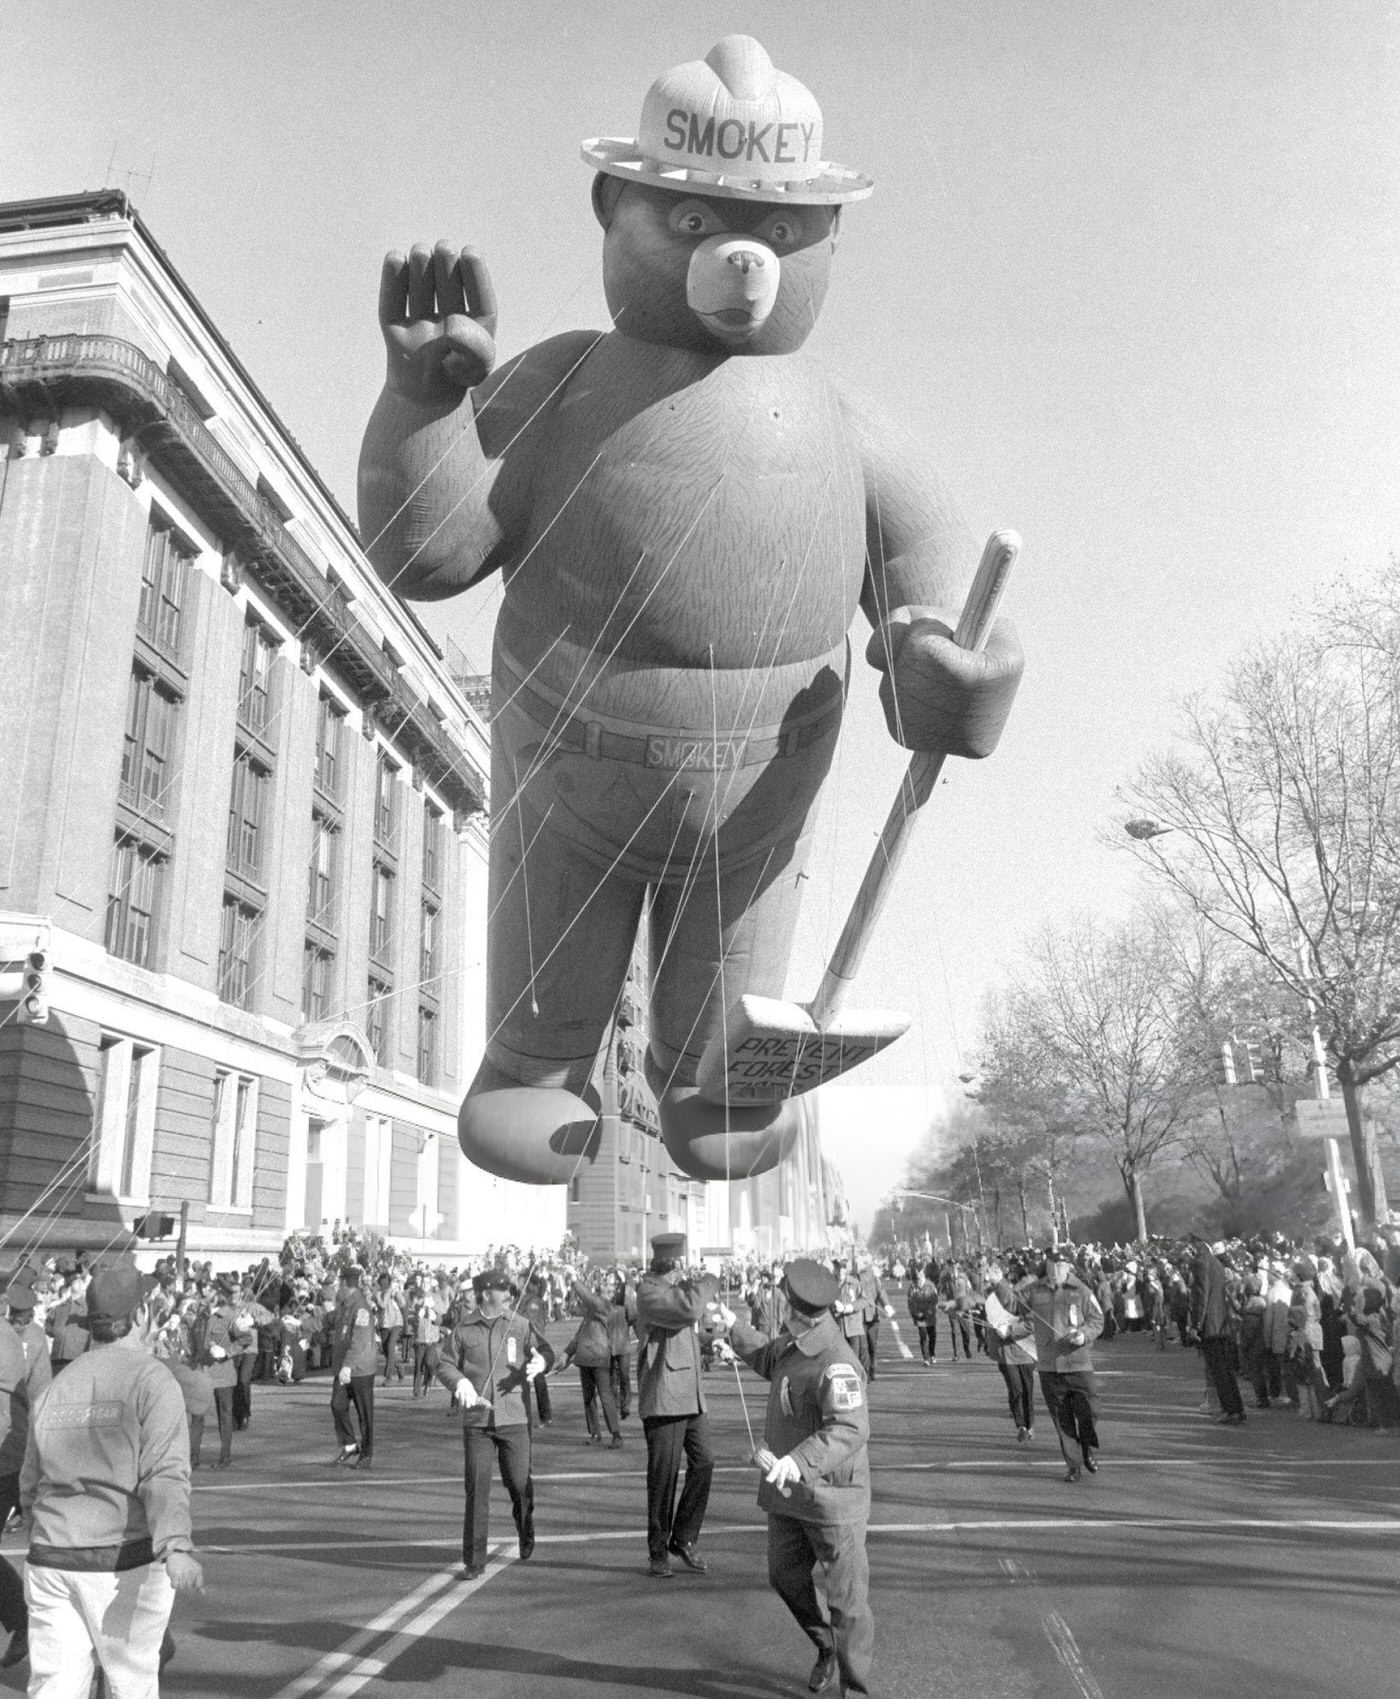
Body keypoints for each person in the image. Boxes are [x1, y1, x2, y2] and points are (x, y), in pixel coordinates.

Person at [20, 1261, 204, 1693]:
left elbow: (30, 1481)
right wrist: (176, 1545)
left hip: (51, 1555)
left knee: (53, 1687)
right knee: (131, 1684)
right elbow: (164, 1474)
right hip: (121, 1558)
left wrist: (43, 1529)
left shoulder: (57, 1386)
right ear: (141, 1314)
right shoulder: (152, 1379)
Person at [729, 1258, 873, 1698]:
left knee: (847, 1604)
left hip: (831, 1499)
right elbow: (767, 1356)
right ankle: (825, 1644)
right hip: (789, 1495)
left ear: (798, 1312)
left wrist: (797, 1462)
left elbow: (850, 1427)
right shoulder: (797, 1343)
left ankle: (855, 1687)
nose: (779, 1310)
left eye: (784, 1304)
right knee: (785, 1577)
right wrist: (731, 1326)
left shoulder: (836, 1360)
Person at [437, 1268, 543, 1579]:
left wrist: (542, 1361)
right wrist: (458, 1382)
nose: (508, 1295)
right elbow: (444, 1364)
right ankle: (474, 1560)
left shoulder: (519, 1324)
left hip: (514, 1416)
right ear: (486, 1294)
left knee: (518, 1482)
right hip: (477, 1421)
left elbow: (542, 1349)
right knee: (476, 1486)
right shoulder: (463, 1330)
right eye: (502, 1290)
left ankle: (525, 1526)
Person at [634, 1232, 716, 1579]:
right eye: (681, 1265)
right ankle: (658, 1551)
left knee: (705, 1462)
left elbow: (684, 1331)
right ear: (672, 1264)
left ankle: (683, 1537)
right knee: (663, 1479)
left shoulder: (671, 1290)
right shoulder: (650, 1292)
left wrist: (712, 1341)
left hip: (689, 1394)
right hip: (665, 1396)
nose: (685, 1271)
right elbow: (688, 1309)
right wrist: (710, 1279)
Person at [1018, 1247, 1105, 1481]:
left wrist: (1084, 1335)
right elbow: (1012, 1305)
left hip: (1078, 1363)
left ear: (1068, 1267)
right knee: (1062, 1420)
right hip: (1050, 1366)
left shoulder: (1081, 1290)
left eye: (1060, 1265)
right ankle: (1074, 1465)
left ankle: (1086, 1446)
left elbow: (1097, 1319)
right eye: (1051, 1265)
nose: (1055, 1269)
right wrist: (995, 1285)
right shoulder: (1034, 1290)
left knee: (1091, 1410)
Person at [1188, 1239, 1246, 1425]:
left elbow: (1201, 1296)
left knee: (1218, 1370)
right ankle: (1236, 1408)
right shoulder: (1216, 1263)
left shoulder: (1200, 1264)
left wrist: (1196, 1325)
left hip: (1210, 1325)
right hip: (1221, 1322)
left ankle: (1230, 1410)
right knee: (1226, 1369)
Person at [560, 1277, 623, 1447]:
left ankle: (616, 1433)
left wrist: (574, 1280)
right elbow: (579, 1335)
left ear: (613, 1293)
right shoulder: (593, 1309)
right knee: (588, 1398)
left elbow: (589, 1298)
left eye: (608, 1285)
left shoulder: (606, 1307)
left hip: (599, 1357)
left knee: (605, 1396)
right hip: (586, 1357)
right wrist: (566, 1353)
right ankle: (595, 1432)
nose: (603, 1285)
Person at [329, 1265, 377, 1469]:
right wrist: (300, 1323)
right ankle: (349, 1444)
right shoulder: (345, 1306)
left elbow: (360, 1340)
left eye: (339, 1283)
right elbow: (328, 1319)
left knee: (364, 1414)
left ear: (345, 1285)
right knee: (337, 1405)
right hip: (344, 1368)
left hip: (360, 1370)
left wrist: (348, 1366)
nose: (337, 1288)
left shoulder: (361, 1308)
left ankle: (366, 1454)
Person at [983, 1261, 1037, 1442]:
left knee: (1027, 1389)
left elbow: (1030, 1323)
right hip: (1006, 1352)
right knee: (1015, 1390)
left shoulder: (1023, 1298)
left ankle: (1029, 1424)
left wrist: (1011, 1330)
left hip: (1026, 1351)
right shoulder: (993, 1297)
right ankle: (1021, 1425)